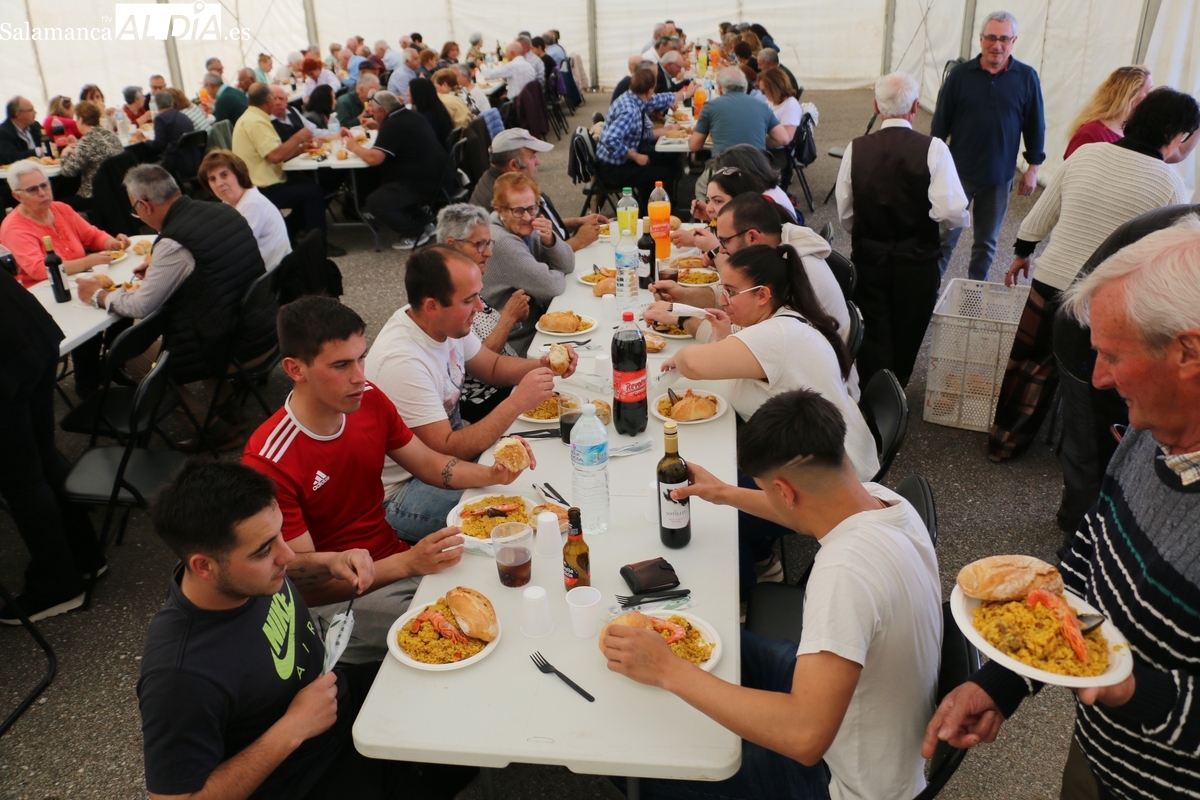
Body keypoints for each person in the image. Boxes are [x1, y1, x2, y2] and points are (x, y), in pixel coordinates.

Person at [925, 215, 1200, 800]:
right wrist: (1004, 682)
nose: (1097, 379)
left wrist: (1131, 691)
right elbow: (1084, 564)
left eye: (1113, 356)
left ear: (1188, 352)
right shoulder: (1150, 437)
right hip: (1103, 759)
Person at [603, 389, 941, 800]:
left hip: (842, 780)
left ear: (785, 491)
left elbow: (805, 737)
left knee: (628, 759)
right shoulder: (886, 503)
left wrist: (667, 671)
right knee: (714, 642)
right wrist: (724, 492)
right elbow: (801, 511)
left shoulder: (844, 573)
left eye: (768, 490)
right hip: (865, 713)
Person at [137, 459, 477, 800]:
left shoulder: (239, 576)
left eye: (280, 535)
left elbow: (291, 562)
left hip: (338, 699)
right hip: (305, 776)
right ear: (204, 566)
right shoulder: (179, 676)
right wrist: (291, 729)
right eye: (264, 550)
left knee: (468, 707)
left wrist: (329, 561)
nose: (286, 555)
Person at [243, 296, 528, 661]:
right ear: (295, 369)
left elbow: (428, 463)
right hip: (340, 598)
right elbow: (304, 586)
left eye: (361, 357)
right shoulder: (270, 460)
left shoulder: (369, 399)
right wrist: (408, 564)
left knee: (503, 578)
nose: (360, 376)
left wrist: (491, 475)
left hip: (394, 560)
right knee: (470, 634)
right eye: (341, 365)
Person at [988, 86, 1195, 462]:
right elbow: (1166, 255)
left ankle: (1003, 443)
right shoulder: (1168, 183)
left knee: (1028, 368)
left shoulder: (1086, 153)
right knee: (1094, 385)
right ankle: (1082, 462)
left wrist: (1022, 252)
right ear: (1177, 134)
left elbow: (1042, 212)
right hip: (1103, 302)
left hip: (1049, 281)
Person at [367, 245, 576, 539]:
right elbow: (448, 449)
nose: (480, 306)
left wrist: (541, 365)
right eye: (469, 299)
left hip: (442, 463)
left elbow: (491, 366)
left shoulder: (444, 324)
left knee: (537, 479)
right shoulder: (402, 362)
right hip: (403, 492)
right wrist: (517, 402)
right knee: (522, 504)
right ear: (431, 305)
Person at [74, 165, 274, 451]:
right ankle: (229, 409)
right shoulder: (223, 211)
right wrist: (161, 268)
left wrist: (98, 295)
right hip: (261, 326)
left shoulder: (173, 242)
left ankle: (213, 431)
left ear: (144, 205)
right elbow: (211, 269)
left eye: (136, 210)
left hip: (236, 345)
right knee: (197, 324)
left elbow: (142, 305)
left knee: (138, 357)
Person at [834, 72, 971, 388]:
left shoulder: (856, 148)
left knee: (874, 326)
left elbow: (845, 210)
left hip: (869, 256)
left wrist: (866, 231)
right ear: (915, 107)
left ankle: (877, 389)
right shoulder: (933, 149)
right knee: (909, 327)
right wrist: (942, 221)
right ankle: (898, 382)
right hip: (918, 259)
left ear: (877, 107)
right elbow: (951, 210)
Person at [0, 272, 104, 625]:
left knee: (22, 481)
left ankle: (57, 584)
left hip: (8, 357)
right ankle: (86, 555)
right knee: (43, 455)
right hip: (31, 332)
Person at [932, 10, 1045, 281]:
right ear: (981, 39)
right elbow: (940, 123)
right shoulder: (960, 75)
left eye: (1004, 39)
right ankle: (929, 291)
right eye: (992, 38)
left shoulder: (1027, 77)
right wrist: (933, 166)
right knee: (943, 239)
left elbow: (1035, 124)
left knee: (986, 243)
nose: (998, 45)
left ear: (1014, 41)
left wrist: (1033, 168)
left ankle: (974, 290)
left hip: (998, 177)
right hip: (957, 174)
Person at [435, 204, 530, 419]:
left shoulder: (468, 279)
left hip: (504, 380)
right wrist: (509, 317)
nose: (488, 252)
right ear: (453, 245)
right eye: (479, 245)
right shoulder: (446, 291)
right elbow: (481, 363)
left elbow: (481, 325)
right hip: (485, 400)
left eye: (488, 243)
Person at [338, 90, 448, 251]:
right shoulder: (412, 115)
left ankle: (413, 233)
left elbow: (374, 158)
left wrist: (354, 147)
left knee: (375, 201)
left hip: (422, 183)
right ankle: (425, 223)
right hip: (440, 176)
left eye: (374, 113)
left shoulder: (392, 124)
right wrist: (378, 125)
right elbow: (399, 137)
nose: (372, 116)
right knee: (391, 186)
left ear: (382, 111)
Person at [232, 83, 336, 251]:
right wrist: (299, 136)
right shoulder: (257, 122)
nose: (277, 102)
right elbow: (275, 156)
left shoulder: (250, 118)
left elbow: (274, 153)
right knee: (313, 193)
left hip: (264, 179)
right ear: (268, 100)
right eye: (275, 99)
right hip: (262, 186)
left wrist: (302, 149)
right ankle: (319, 245)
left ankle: (287, 234)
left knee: (310, 185)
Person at [482, 173, 576, 356]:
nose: (526, 217)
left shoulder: (523, 226)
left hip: (533, 325)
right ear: (500, 211)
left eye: (532, 208)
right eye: (518, 210)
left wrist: (550, 241)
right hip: (513, 342)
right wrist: (551, 271)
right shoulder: (502, 242)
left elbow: (569, 263)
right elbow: (552, 286)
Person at [468, 127, 606, 252]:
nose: (538, 162)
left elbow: (539, 225)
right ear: (514, 165)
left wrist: (578, 222)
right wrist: (579, 240)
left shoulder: (512, 185)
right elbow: (539, 260)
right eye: (533, 156)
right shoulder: (503, 199)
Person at [2, 161, 129, 287]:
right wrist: (87, 262)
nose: (42, 193)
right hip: (45, 291)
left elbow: (92, 236)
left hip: (79, 281)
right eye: (33, 190)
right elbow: (39, 270)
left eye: (44, 185)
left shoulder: (61, 209)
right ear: (17, 196)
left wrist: (113, 243)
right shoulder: (14, 228)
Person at [595, 66, 684, 215]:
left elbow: (655, 102)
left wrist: (684, 94)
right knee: (664, 173)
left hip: (614, 164)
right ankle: (653, 216)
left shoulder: (632, 97)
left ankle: (654, 207)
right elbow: (610, 139)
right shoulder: (630, 110)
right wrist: (636, 156)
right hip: (611, 170)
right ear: (649, 90)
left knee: (669, 159)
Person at [199, 149, 292, 270]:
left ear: (238, 173)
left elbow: (235, 252)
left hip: (273, 277)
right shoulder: (229, 201)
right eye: (212, 179)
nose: (219, 183)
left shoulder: (252, 204)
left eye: (224, 175)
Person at [691, 67, 788, 156]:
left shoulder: (710, 107)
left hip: (724, 169)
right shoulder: (763, 106)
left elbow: (694, 146)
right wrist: (757, 140)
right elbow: (783, 138)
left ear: (720, 88)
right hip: (757, 168)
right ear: (745, 86)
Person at [1064, 65, 1153, 158]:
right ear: (1131, 94)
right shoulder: (1091, 133)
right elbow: (1072, 169)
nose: (1151, 98)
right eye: (1148, 92)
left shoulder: (1134, 133)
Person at [57, 100, 124, 208]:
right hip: (117, 189)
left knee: (58, 203)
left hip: (94, 194)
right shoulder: (110, 135)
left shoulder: (87, 141)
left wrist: (64, 154)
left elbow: (67, 172)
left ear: (80, 119)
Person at [757, 68, 801, 183]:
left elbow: (785, 139)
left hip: (779, 154)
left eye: (764, 91)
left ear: (774, 88)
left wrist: (758, 141)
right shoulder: (771, 102)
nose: (763, 94)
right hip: (769, 147)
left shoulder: (790, 106)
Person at [144, 90, 198, 178]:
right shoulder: (183, 115)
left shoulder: (160, 119)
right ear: (172, 102)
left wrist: (145, 140)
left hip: (176, 164)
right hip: (194, 161)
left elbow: (158, 145)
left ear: (157, 105)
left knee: (147, 169)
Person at [408, 77, 454, 146]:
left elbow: (423, 141)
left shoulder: (428, 117)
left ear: (417, 93)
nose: (407, 93)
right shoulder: (437, 110)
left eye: (409, 90)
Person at [1, 96, 44, 165]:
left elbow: (47, 143)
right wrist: (38, 151)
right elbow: (10, 157)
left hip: (44, 168)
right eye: (31, 110)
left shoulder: (35, 126)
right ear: (19, 114)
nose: (35, 112)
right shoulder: (3, 132)